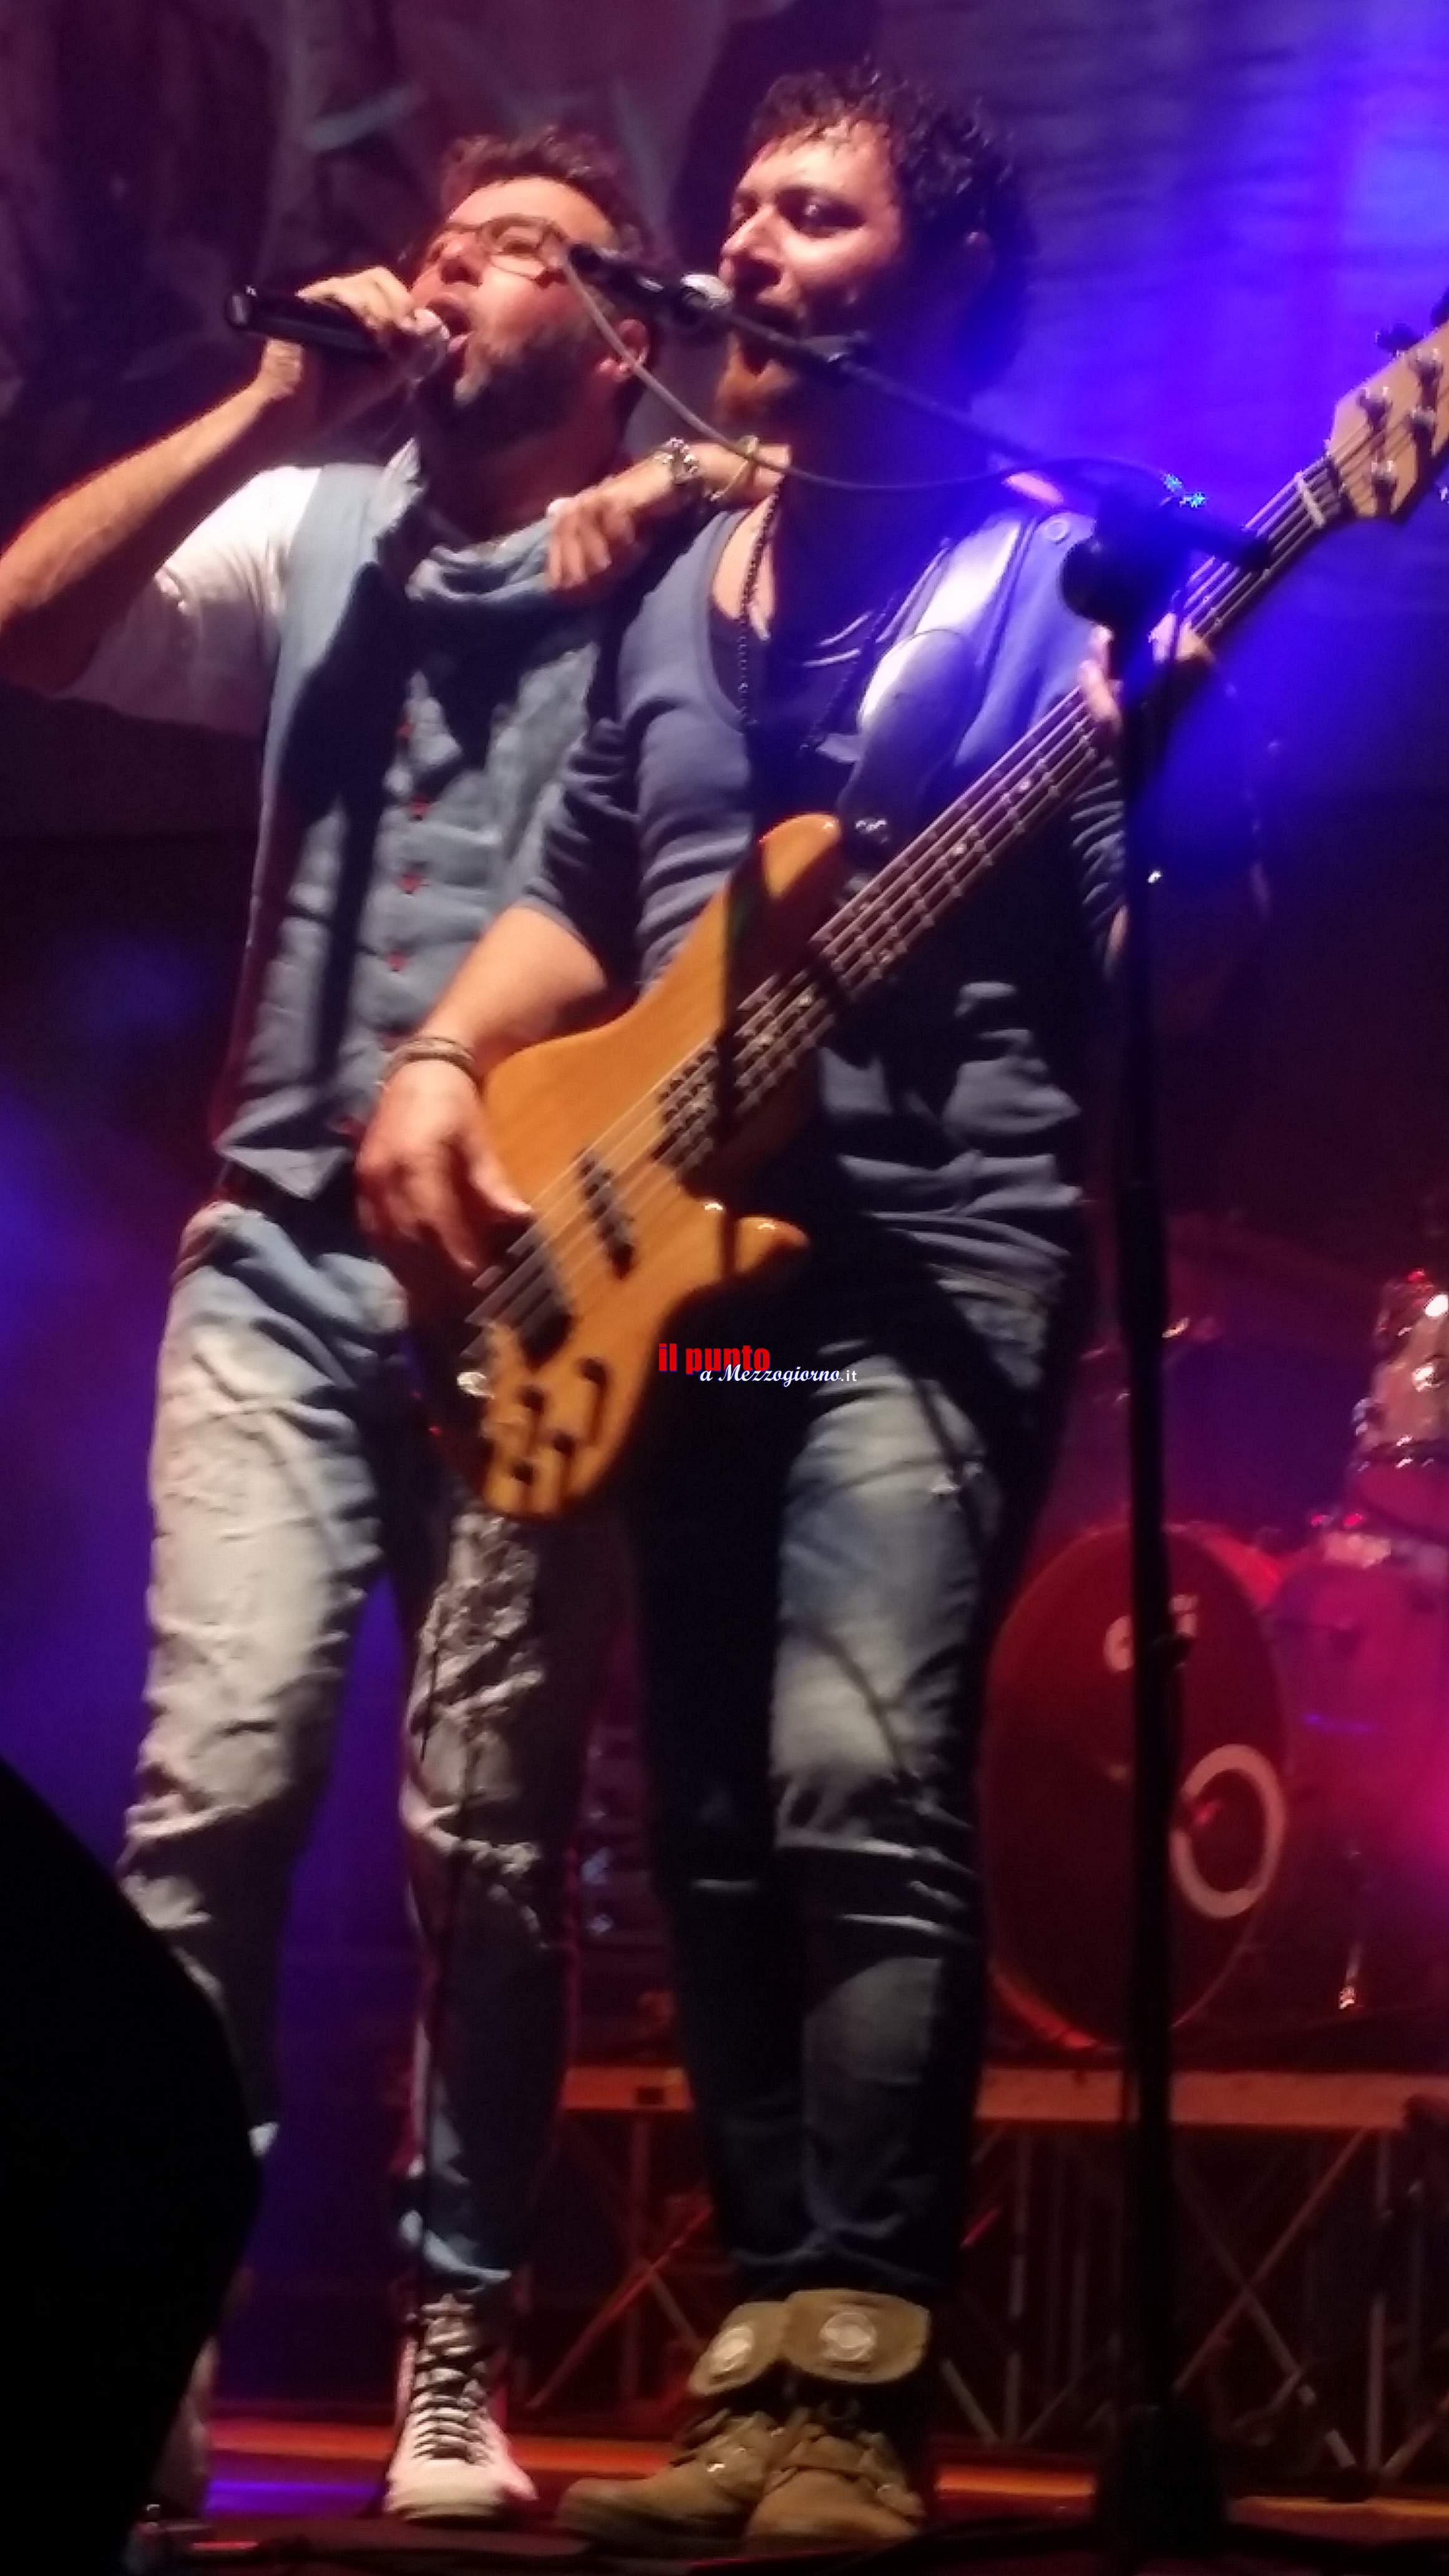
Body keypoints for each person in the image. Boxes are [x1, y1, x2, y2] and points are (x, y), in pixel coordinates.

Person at [359, 59, 1128, 2552]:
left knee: (843, 1776)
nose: (753, 248)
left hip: (933, 1259)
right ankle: (759, 2354)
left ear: (943, 276)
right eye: (747, 210)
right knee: (698, 1816)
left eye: (818, 213)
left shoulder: (1042, 586)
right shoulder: (684, 586)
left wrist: (1154, 812)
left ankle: (863, 2382)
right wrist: (442, 1065)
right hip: (697, 1285)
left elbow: (1171, 977)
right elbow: (583, 890)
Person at [0, 123, 763, 2524]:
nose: (453, 277)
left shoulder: (697, 547)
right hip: (275, 1258)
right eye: (441, 245)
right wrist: (267, 403)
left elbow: (820, 509)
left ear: (617, 328)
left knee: (489, 1844)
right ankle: (150, 2346)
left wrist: (688, 482)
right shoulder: (316, 526)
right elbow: (28, 621)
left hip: (549, 1268)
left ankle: (455, 2351)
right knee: (211, 1795)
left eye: (518, 251)